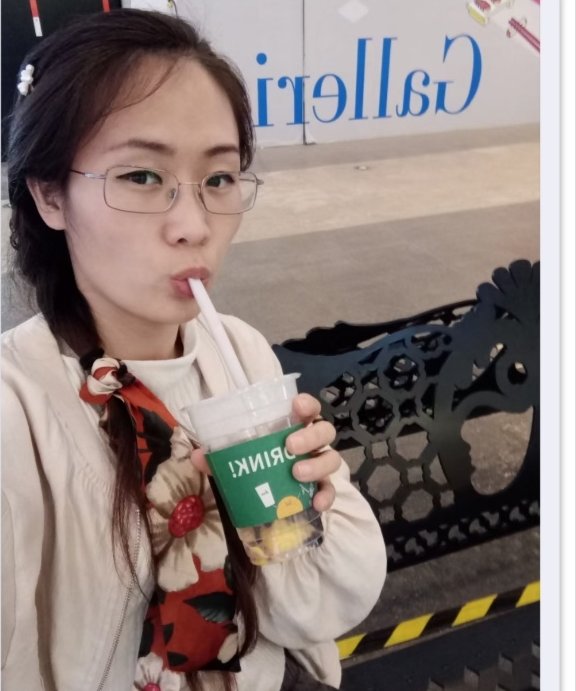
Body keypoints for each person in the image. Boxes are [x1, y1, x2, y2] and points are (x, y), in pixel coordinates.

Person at [1, 9, 387, 691]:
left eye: (219, 178)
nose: (194, 225)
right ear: (50, 194)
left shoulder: (237, 351)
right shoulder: (17, 409)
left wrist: (308, 513)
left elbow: (315, 612)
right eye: (141, 177)